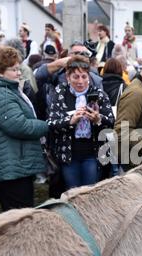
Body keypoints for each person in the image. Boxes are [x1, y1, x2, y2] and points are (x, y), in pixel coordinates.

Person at [0, 47, 49, 211]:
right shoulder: (0, 95)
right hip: (9, 167)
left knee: (21, 216)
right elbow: (19, 126)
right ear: (0, 72)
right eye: (14, 69)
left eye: (19, 68)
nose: (19, 73)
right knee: (19, 218)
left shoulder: (6, 90)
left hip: (14, 164)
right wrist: (48, 125)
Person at [47, 55, 114, 189]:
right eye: (75, 77)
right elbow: (51, 123)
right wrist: (70, 121)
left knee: (89, 193)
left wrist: (98, 119)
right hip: (68, 155)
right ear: (68, 77)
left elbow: (111, 122)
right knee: (72, 193)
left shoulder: (98, 94)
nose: (80, 81)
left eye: (84, 76)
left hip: (92, 153)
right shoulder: (60, 92)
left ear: (89, 76)